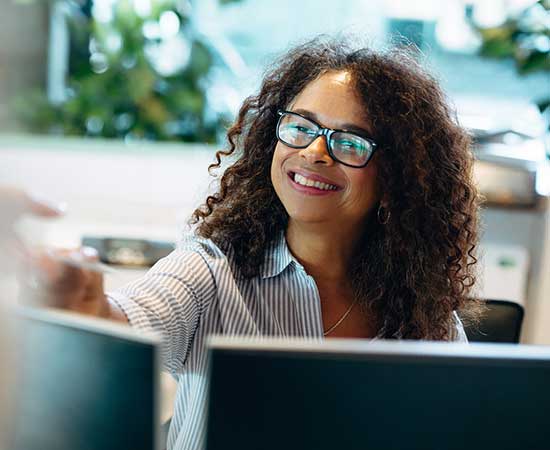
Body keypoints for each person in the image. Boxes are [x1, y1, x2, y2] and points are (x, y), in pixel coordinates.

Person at [28, 37, 483, 450]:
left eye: (349, 142)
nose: (315, 152)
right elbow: (128, 322)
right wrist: (79, 302)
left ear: (395, 178)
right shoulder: (209, 272)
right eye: (301, 127)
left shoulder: (426, 316)